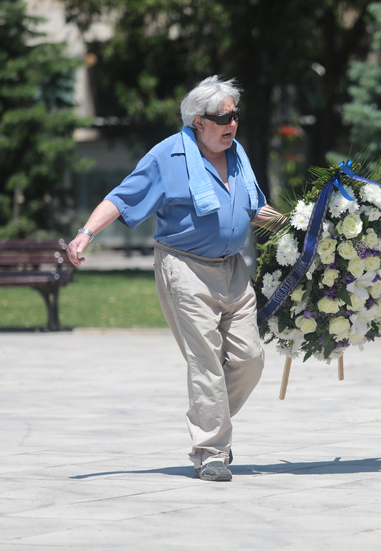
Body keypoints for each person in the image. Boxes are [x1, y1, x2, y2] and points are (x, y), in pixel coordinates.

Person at [66, 75, 286, 482]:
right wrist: (85, 234)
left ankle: (211, 418)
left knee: (250, 359)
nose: (232, 124)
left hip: (234, 270)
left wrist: (297, 228)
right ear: (197, 121)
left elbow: (255, 208)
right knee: (205, 362)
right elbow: (122, 197)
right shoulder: (167, 156)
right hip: (185, 268)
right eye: (222, 118)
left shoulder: (237, 154)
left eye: (235, 115)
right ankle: (211, 452)